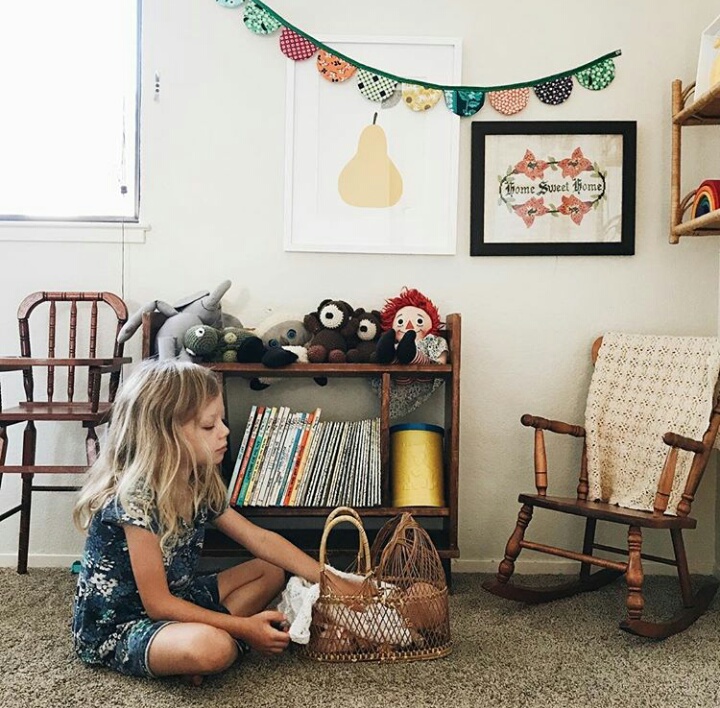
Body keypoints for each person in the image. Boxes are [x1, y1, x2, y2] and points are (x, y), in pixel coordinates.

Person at [71, 359, 334, 684]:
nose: (224, 431)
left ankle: (198, 648)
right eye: (209, 426)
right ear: (164, 435)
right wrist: (245, 629)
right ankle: (216, 645)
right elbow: (157, 605)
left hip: (179, 598)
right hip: (123, 625)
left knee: (271, 569)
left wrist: (330, 579)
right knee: (213, 647)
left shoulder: (197, 480)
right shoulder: (135, 498)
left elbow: (259, 539)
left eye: (220, 421)